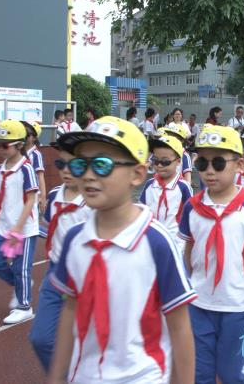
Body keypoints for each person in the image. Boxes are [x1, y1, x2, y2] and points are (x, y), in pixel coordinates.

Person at [49, 116, 196, 384]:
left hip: (142, 376)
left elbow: (180, 326)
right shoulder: (73, 240)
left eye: (103, 164)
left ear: (137, 174)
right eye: (82, 164)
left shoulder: (156, 243)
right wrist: (57, 377)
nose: (89, 175)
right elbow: (70, 311)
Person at [179, 125, 244, 384]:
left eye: (218, 162)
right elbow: (189, 251)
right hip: (200, 305)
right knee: (201, 372)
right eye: (202, 162)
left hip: (238, 306)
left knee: (231, 372)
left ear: (239, 165)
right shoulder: (192, 208)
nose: (209, 170)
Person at [29, 143, 92, 371]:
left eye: (73, 164)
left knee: (89, 341)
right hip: (56, 275)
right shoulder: (55, 196)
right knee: (41, 338)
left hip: (87, 279)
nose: (65, 170)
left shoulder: (92, 201)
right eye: (60, 163)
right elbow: (48, 229)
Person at [0, 120, 39, 325]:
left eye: (4, 145)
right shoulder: (0, 169)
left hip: (23, 229)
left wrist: (18, 228)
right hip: (4, 227)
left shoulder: (26, 169)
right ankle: (21, 286)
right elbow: (3, 196)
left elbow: (31, 199)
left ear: (18, 145)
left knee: (20, 268)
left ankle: (25, 306)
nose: (0, 149)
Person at [139, 133, 193, 255]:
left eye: (165, 162)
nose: (158, 165)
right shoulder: (149, 185)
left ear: (178, 161)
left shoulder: (183, 187)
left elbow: (192, 216)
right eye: (155, 160)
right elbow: (141, 211)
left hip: (176, 245)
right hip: (150, 242)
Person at [22, 121, 48, 213]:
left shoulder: (36, 154)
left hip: (32, 194)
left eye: (28, 134)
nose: (25, 137)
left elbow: (40, 176)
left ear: (34, 137)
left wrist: (43, 196)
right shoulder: (19, 152)